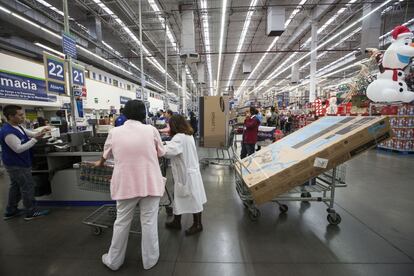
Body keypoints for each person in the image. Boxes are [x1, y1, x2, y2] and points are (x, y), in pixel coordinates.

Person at [94, 100, 166, 271]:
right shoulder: (151, 130)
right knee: (149, 222)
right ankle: (150, 260)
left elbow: (105, 153)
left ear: (125, 113)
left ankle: (114, 261)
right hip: (150, 182)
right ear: (144, 114)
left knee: (122, 222)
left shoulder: (115, 132)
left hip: (126, 184)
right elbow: (162, 153)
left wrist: (101, 162)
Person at [0, 105, 50, 220]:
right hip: (16, 164)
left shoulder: (18, 127)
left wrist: (41, 131)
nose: (23, 117)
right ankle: (31, 212)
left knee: (16, 186)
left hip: (19, 162)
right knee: (28, 186)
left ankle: (10, 211)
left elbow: (31, 134)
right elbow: (18, 148)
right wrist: (35, 140)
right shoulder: (8, 132)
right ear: (11, 116)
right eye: (20, 115)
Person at [163, 115, 207, 235]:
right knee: (179, 197)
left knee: (193, 199)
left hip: (186, 175)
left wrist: (158, 145)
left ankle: (198, 224)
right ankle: (177, 221)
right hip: (190, 172)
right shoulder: (187, 135)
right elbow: (174, 146)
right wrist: (166, 142)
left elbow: (168, 151)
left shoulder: (178, 138)